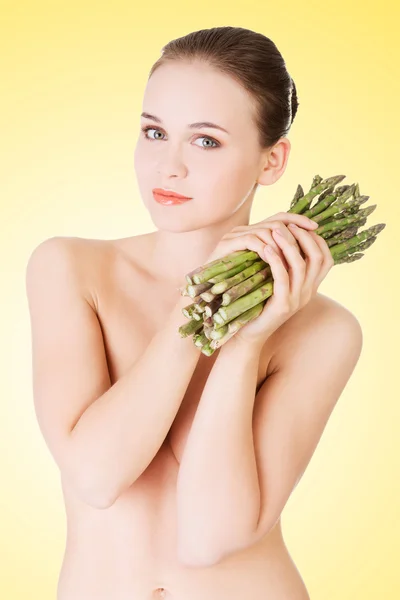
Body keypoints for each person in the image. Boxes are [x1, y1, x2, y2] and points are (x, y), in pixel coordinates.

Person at [25, 26, 363, 600]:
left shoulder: (324, 330)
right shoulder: (71, 270)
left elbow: (210, 537)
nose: (169, 167)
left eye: (205, 141)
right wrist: (195, 307)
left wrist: (245, 342)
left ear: (272, 160)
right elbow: (96, 477)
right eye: (155, 132)